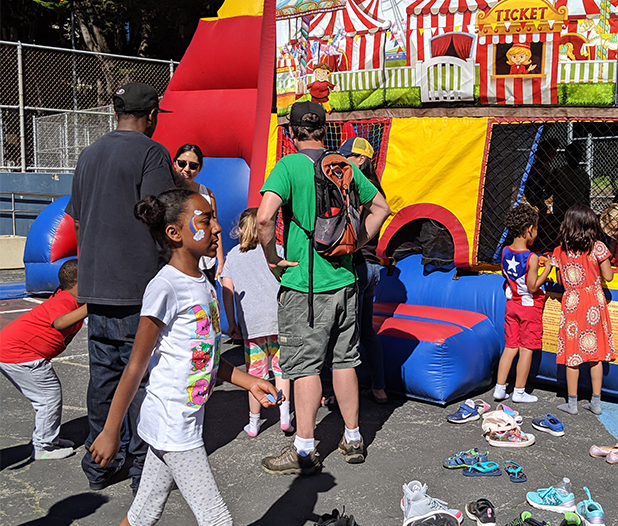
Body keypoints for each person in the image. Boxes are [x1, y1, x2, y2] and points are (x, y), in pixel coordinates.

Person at [89, 189, 281, 526]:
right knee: (217, 519)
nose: (217, 229)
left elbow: (203, 356)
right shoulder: (165, 287)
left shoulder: (204, 285)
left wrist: (247, 380)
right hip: (173, 422)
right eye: (205, 221)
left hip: (186, 418)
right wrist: (110, 430)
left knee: (144, 512)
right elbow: (135, 365)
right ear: (174, 233)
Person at [257, 102, 391, 475]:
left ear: (291, 132)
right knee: (345, 361)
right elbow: (380, 206)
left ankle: (303, 448)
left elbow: (265, 216)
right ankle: (352, 437)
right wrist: (357, 242)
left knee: (304, 367)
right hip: (346, 280)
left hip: (306, 285)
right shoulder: (343, 164)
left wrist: (272, 258)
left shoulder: (289, 166)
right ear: (325, 130)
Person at [65, 81, 175, 490]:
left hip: (96, 285)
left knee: (104, 377)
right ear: (151, 116)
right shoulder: (152, 152)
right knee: (143, 379)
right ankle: (142, 469)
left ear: (116, 113)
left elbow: (77, 218)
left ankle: (99, 463)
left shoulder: (90, 154)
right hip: (138, 286)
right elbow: (161, 217)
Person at [0, 259, 87, 460]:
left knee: (47, 396)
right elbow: (60, 323)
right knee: (48, 397)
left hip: (14, 350)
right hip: (21, 354)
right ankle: (44, 446)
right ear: (77, 282)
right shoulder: (66, 300)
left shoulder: (67, 297)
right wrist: (92, 305)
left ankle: (49, 437)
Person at [220, 208, 293, 436]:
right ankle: (284, 419)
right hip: (279, 322)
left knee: (255, 376)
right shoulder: (278, 251)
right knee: (281, 372)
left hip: (252, 327)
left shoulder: (232, 256)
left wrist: (232, 322)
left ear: (240, 229)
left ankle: (254, 423)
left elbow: (227, 292)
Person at [551, 204, 615, 416]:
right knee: (595, 353)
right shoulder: (598, 247)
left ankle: (572, 403)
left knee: (573, 354)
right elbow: (608, 276)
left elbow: (561, 281)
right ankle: (595, 402)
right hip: (594, 301)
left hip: (572, 302)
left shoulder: (559, 251)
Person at [338, 136, 387, 404]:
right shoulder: (376, 189)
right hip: (372, 267)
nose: (343, 162)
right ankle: (379, 386)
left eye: (348, 157)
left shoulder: (358, 187)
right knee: (366, 330)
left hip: (357, 266)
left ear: (360, 160)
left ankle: (345, 394)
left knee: (348, 333)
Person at [493, 203, 552, 404]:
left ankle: (499, 389)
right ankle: (519, 391)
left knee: (510, 347)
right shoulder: (532, 257)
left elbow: (508, 274)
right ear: (529, 229)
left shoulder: (505, 252)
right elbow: (533, 286)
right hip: (529, 308)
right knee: (527, 349)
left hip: (512, 306)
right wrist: (547, 269)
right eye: (536, 228)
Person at [173, 144, 225, 283]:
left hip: (205, 263)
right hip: (178, 262)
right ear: (174, 163)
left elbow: (215, 226)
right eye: (182, 163)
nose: (187, 169)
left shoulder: (207, 193)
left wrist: (220, 260)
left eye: (193, 166)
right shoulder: (169, 193)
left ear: (199, 168)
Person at [551, 141, 591, 222]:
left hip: (578, 214)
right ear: (566, 156)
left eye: (578, 155)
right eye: (573, 155)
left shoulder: (584, 175)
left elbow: (587, 196)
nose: (575, 158)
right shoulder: (558, 172)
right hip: (561, 213)